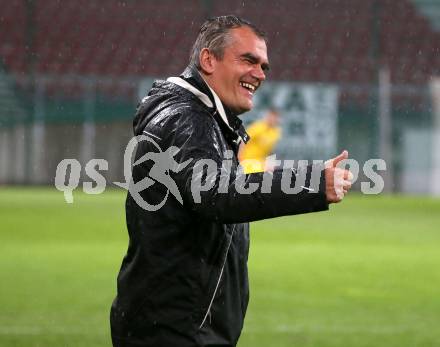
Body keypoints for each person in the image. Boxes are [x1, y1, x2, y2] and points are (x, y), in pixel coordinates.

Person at [110, 15, 352, 347]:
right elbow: (216, 194)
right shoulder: (190, 119)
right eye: (248, 60)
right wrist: (311, 182)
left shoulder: (201, 118)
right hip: (177, 330)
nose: (260, 73)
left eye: (264, 66)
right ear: (208, 60)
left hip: (174, 322)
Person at [238, 108, 281, 173]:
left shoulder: (276, 132)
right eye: (271, 116)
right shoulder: (258, 127)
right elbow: (243, 140)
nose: (273, 119)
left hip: (260, 164)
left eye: (275, 117)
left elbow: (270, 150)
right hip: (248, 161)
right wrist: (240, 157)